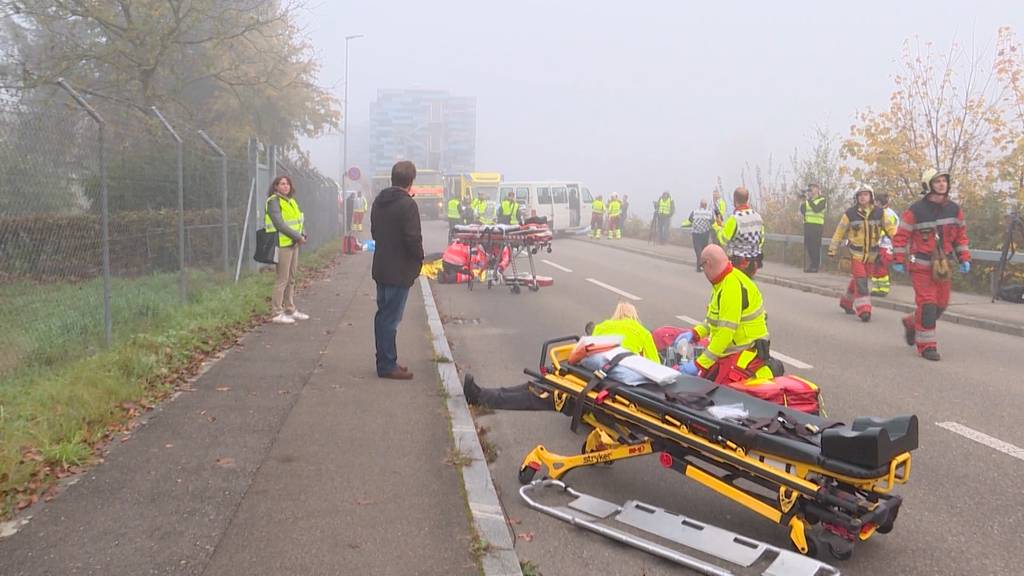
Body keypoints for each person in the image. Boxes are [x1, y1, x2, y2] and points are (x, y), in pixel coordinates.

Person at [462, 301, 658, 410]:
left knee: (537, 390)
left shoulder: (604, 326)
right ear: (635, 316)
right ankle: (481, 395)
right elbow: (654, 366)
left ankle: (481, 396)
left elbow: (590, 350)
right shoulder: (643, 333)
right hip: (612, 382)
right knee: (537, 389)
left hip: (594, 378)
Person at [891, 169, 971, 362]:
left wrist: (964, 257)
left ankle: (912, 322)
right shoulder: (916, 210)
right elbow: (901, 236)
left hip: (942, 267)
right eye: (938, 181)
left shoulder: (954, 209)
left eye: (944, 181)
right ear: (928, 185)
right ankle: (926, 346)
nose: (942, 184)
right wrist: (899, 260)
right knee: (928, 305)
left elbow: (960, 236)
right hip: (921, 266)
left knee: (940, 305)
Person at [676, 244, 778, 384]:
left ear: (709, 264)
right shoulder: (723, 282)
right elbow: (714, 322)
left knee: (718, 390)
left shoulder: (730, 287)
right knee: (706, 380)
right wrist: (695, 333)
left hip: (744, 351)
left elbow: (725, 333)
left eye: (702, 266)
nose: (703, 271)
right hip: (732, 350)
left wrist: (699, 365)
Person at [371, 161, 425, 379]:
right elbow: (412, 238)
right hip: (399, 269)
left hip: (382, 266)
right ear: (411, 181)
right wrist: (419, 257)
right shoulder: (408, 205)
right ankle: (386, 365)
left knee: (383, 315)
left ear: (392, 178)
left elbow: (375, 232)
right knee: (390, 320)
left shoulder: (379, 201)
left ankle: (387, 360)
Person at [827, 185, 896, 322]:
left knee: (858, 281)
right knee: (861, 281)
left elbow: (891, 230)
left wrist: (901, 244)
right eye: (860, 195)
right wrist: (832, 249)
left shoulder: (879, 213)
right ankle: (864, 309)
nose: (863, 197)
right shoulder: (850, 214)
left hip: (872, 255)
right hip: (856, 254)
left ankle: (846, 302)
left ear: (871, 196)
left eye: (866, 194)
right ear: (857, 198)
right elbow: (839, 232)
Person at [265, 175, 309, 325]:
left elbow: (299, 220)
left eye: (287, 184)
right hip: (282, 244)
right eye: (282, 184)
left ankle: (290, 308)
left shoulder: (291, 201)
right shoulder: (273, 202)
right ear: (275, 186)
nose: (285, 186)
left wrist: (303, 233)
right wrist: (298, 236)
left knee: (291, 278)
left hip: (294, 243)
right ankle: (276, 312)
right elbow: (280, 224)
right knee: (282, 279)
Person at [714, 187, 764, 277]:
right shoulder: (758, 217)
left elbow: (723, 239)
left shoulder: (734, 219)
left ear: (734, 200)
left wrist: (717, 227)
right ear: (747, 199)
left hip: (738, 262)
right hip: (753, 262)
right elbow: (761, 239)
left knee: (737, 287)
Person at [871, 192, 899, 296]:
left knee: (882, 266)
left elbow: (888, 229)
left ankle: (883, 289)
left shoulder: (888, 214)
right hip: (879, 244)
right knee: (875, 266)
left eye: (876, 203)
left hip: (887, 245)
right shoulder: (880, 212)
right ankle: (875, 288)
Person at [800, 184, 826, 272]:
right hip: (807, 225)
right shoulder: (808, 201)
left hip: (817, 225)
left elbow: (816, 209)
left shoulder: (822, 200)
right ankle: (812, 265)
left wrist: (809, 201)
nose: (811, 190)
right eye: (810, 189)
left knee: (815, 246)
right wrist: (803, 201)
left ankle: (815, 265)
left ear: (818, 190)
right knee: (809, 246)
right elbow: (803, 211)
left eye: (813, 188)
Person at [686, 199, 714, 272]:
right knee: (704, 250)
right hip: (705, 233)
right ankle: (703, 266)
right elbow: (713, 221)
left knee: (698, 250)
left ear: (700, 204)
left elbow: (690, 219)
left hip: (696, 233)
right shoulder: (709, 212)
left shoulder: (695, 211)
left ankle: (699, 266)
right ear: (706, 205)